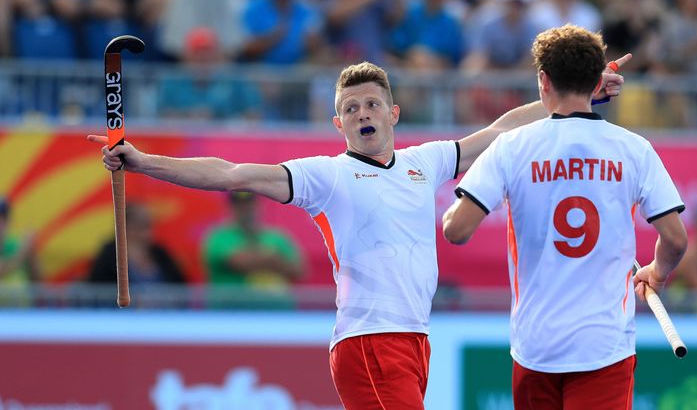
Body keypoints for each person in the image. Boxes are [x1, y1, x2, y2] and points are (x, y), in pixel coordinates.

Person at [89, 58, 625, 408]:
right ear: (338, 125)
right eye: (350, 109)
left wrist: (579, 93)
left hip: (415, 338)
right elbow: (231, 174)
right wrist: (144, 162)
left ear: (393, 113)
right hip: (368, 339)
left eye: (371, 104)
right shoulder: (327, 175)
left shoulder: (426, 161)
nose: (362, 114)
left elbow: (501, 129)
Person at [442, 25, 687, 409]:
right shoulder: (634, 149)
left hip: (535, 346)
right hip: (604, 345)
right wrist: (657, 272)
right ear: (596, 82)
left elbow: (456, 230)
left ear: (543, 80)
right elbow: (675, 239)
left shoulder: (511, 147)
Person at [203, 191, 304, 309]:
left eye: (249, 203)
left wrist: (260, 259)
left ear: (258, 205)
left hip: (278, 315)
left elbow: (299, 270)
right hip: (232, 315)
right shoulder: (219, 237)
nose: (245, 209)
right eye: (239, 204)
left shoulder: (277, 236)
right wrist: (273, 259)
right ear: (231, 207)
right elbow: (239, 262)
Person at [89, 202, 186, 286]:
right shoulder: (109, 256)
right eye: (142, 226)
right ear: (125, 227)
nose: (148, 231)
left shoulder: (160, 253)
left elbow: (180, 285)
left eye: (149, 225)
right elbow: (98, 288)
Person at [0, 197, 39, 305]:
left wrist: (32, 255)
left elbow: (38, 281)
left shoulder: (15, 244)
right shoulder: (21, 248)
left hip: (21, 315)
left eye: (3, 219)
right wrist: (23, 251)